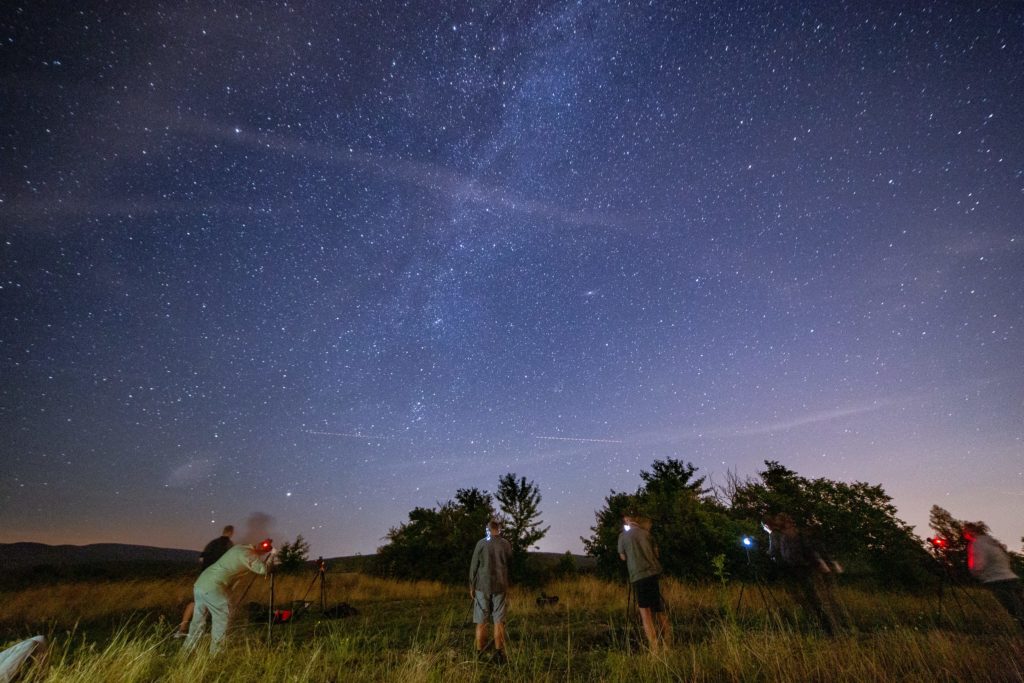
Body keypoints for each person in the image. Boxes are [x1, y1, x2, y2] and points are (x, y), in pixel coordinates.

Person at [183, 539, 274, 654]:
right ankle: (216, 654)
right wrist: (273, 556)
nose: (263, 553)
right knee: (221, 619)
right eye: (264, 550)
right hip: (213, 587)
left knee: (198, 621)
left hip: (201, 584)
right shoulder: (247, 554)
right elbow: (263, 569)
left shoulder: (239, 547)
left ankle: (187, 650)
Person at [764, 512, 839, 635]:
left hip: (800, 570)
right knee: (812, 599)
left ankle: (827, 628)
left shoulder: (787, 535)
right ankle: (824, 627)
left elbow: (805, 551)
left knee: (813, 599)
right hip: (799, 569)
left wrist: (819, 563)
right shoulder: (786, 535)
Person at [617, 513, 671, 653]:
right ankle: (667, 644)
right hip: (653, 573)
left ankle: (654, 648)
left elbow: (623, 557)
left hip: (638, 575)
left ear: (629, 521)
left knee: (645, 613)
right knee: (659, 609)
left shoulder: (623, 536)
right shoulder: (647, 534)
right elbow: (656, 554)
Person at [174, 525, 235, 637]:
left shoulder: (211, 543)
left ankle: (182, 629)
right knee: (223, 604)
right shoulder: (229, 545)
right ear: (231, 532)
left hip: (202, 577)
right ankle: (221, 632)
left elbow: (201, 558)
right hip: (215, 579)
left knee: (196, 602)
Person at [963, 523, 1024, 630]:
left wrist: (974, 573)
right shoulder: (993, 542)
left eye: (965, 530)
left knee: (1016, 611)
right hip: (1011, 578)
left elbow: (978, 564)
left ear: (971, 531)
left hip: (996, 580)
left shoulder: (977, 544)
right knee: (1020, 608)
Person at [469, 520, 513, 663]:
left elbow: (474, 566)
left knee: (481, 620)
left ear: (488, 529)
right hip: (500, 586)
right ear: (499, 529)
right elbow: (510, 563)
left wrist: (471, 586)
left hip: (482, 586)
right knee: (499, 620)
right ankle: (499, 653)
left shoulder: (481, 543)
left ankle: (479, 652)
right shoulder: (506, 544)